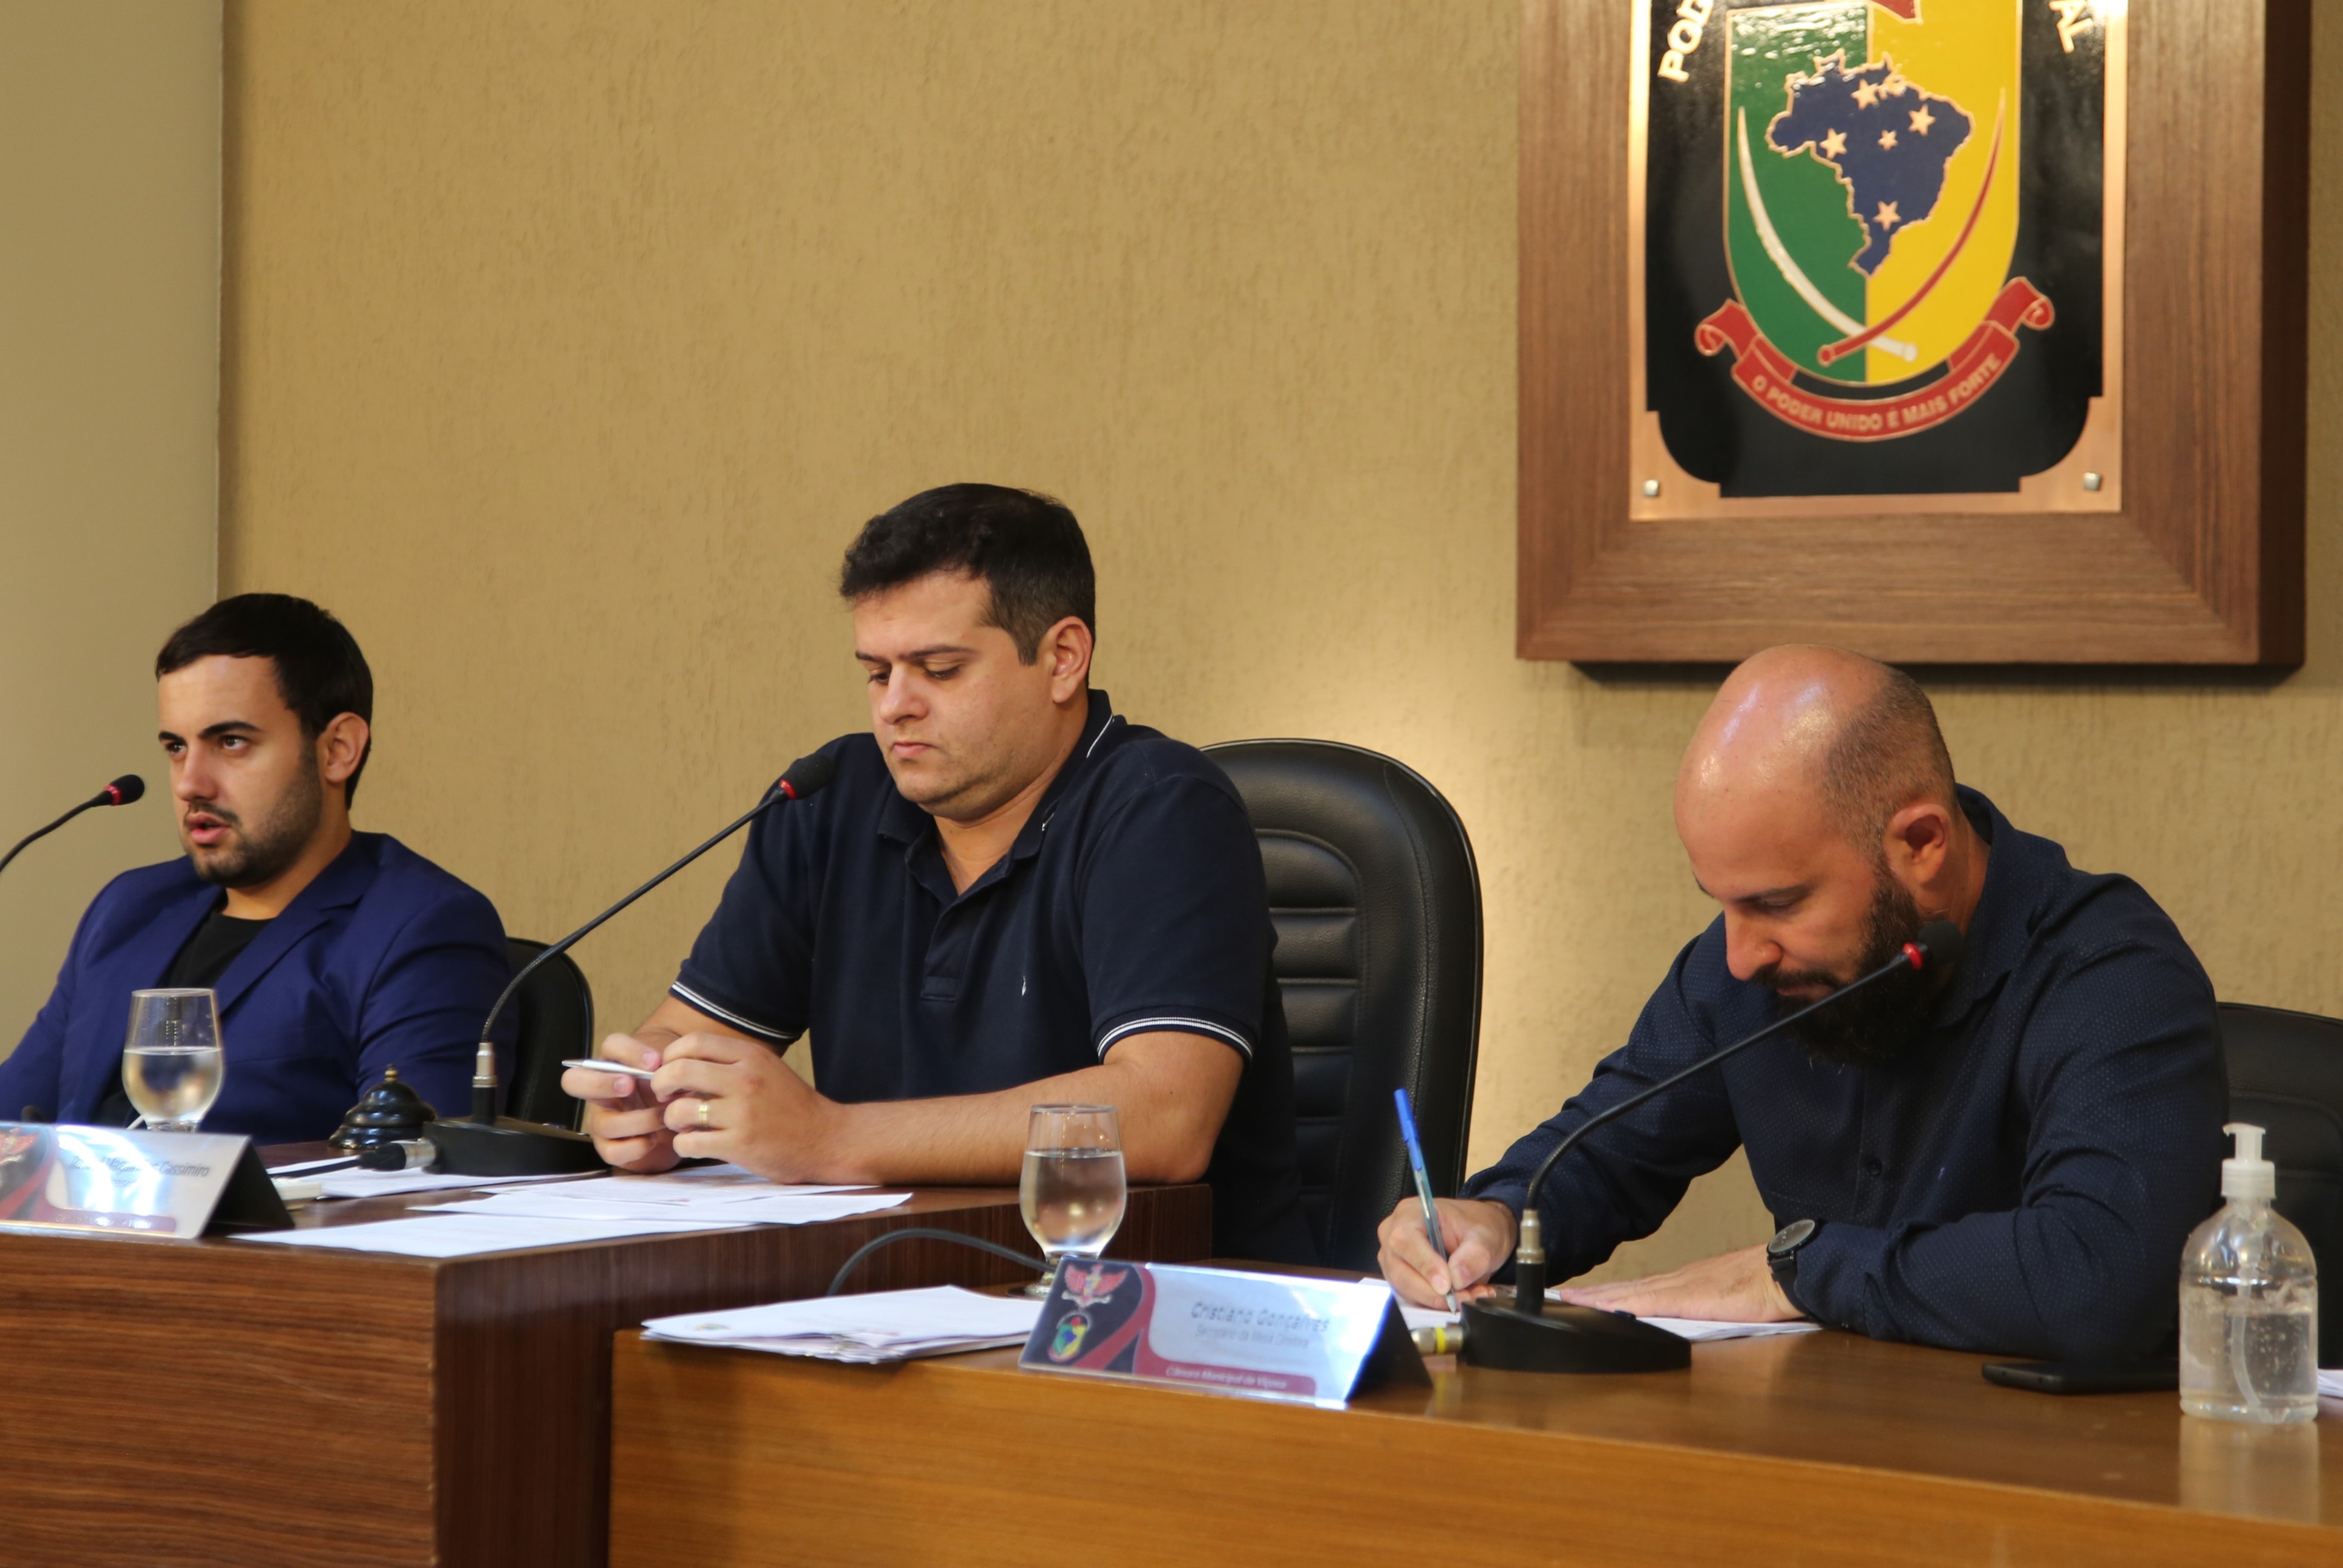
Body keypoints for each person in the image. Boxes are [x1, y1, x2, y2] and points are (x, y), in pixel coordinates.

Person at [1380, 645, 2226, 1360]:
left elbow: (2102, 1272)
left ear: (1922, 844)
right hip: (1821, 1455)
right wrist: (1489, 1214)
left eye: (1777, 904)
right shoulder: (1752, 969)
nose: (1740, 953)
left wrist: (1796, 1267)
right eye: (1722, 902)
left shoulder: (2110, 973)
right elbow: (1604, 1150)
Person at [564, 484, 1313, 1263]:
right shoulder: (827, 801)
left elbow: (1164, 1117)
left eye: (939, 670)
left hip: (1152, 1320)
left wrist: (831, 1137)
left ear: (1062, 659)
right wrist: (648, 1098)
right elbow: (686, 1035)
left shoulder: (1159, 808)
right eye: (876, 672)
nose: (894, 706)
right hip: (888, 1287)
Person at [0, 595, 514, 1143]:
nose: (189, 782)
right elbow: (14, 1116)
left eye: (231, 742)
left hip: (248, 1227)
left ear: (338, 749)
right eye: (176, 746)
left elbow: (413, 1170)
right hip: (64, 1226)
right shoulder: (130, 907)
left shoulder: (421, 926)